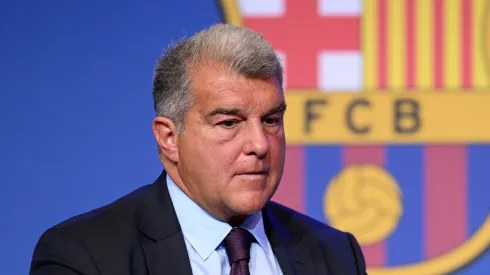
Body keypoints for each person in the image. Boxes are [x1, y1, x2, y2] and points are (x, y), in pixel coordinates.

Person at [30, 23, 367, 275]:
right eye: (229, 123)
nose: (260, 145)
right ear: (169, 138)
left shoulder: (335, 255)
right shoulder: (84, 258)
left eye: (271, 120)